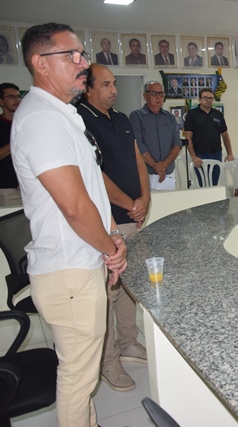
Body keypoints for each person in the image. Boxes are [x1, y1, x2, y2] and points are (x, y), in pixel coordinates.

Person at [12, 22, 127, 426]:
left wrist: (113, 236)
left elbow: (91, 190)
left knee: (81, 374)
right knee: (78, 380)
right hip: (69, 270)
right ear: (40, 63)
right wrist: (112, 250)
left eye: (83, 54)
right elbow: (75, 207)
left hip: (80, 261)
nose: (83, 63)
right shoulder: (41, 119)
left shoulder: (62, 115)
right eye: (72, 55)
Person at [75, 64, 149, 392]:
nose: (114, 90)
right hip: (106, 222)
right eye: (106, 84)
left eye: (114, 83)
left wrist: (145, 198)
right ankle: (107, 360)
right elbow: (93, 174)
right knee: (108, 290)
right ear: (88, 88)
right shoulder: (80, 119)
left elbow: (137, 160)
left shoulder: (121, 118)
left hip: (132, 216)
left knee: (127, 286)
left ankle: (128, 342)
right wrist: (131, 203)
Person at [129, 81, 182, 191]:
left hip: (168, 173)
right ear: (145, 96)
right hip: (146, 172)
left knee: (171, 201)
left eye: (161, 94)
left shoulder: (170, 118)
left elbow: (177, 143)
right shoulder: (136, 116)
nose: (158, 97)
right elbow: (138, 144)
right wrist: (156, 166)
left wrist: (164, 165)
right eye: (154, 93)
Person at [185, 88, 234, 185]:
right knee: (203, 184)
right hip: (200, 155)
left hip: (216, 154)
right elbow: (188, 137)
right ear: (199, 99)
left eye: (211, 98)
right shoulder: (192, 114)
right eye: (205, 98)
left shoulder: (218, 114)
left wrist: (230, 153)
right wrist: (194, 157)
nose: (208, 100)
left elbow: (225, 134)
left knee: (214, 184)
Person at [0, 83, 20, 188]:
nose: (17, 100)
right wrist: (17, 141)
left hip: (26, 185)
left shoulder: (24, 123)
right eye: (11, 97)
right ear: (1, 101)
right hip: (6, 187)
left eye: (18, 96)